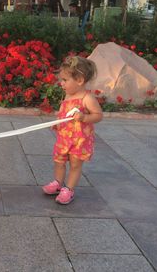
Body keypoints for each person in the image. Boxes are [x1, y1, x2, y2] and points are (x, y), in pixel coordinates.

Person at [42, 56, 103, 204]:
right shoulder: (68, 95)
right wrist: (57, 123)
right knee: (59, 161)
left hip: (79, 140)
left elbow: (98, 115)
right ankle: (58, 182)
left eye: (65, 80)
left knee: (75, 164)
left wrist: (84, 118)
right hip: (64, 137)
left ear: (80, 80)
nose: (61, 83)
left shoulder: (87, 98)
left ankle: (68, 189)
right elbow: (64, 112)